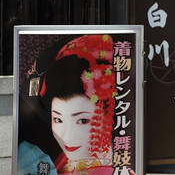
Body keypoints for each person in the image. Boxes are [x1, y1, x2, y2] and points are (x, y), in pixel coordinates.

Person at [18, 35, 117, 175]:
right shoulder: (64, 160)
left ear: (107, 115)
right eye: (58, 119)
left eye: (82, 120)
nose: (67, 136)